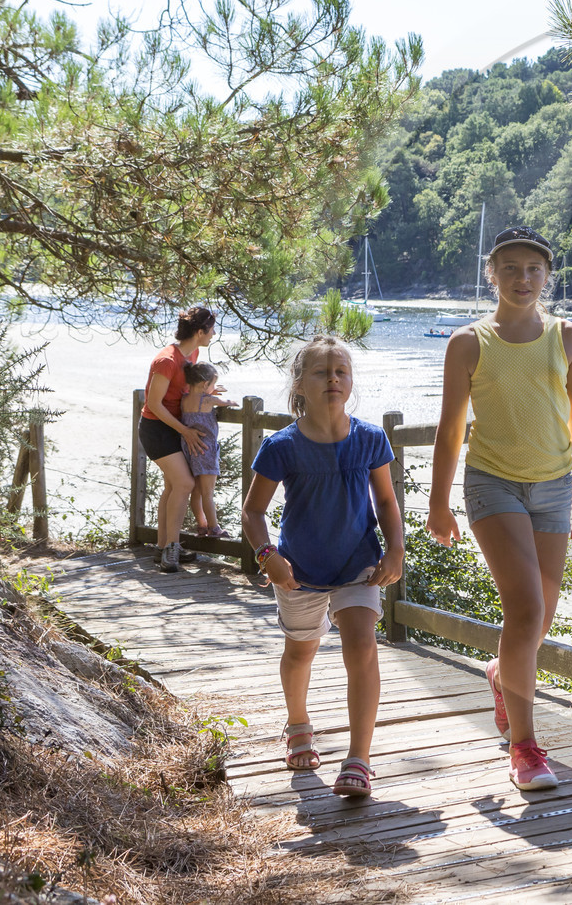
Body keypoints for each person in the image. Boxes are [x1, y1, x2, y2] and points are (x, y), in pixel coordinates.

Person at [428, 225, 572, 791]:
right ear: (492, 275)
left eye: (533, 269)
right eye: (510, 269)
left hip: (554, 487)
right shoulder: (469, 342)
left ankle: (502, 675)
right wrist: (438, 502)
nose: (522, 279)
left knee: (540, 615)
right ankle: (524, 748)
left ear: (547, 276)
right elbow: (451, 428)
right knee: (525, 610)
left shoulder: (566, 336)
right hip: (493, 484)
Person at [241, 337, 405, 799]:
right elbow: (252, 512)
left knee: (363, 646)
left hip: (358, 564)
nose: (333, 379)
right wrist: (268, 556)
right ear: (299, 384)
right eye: (321, 372)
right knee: (300, 651)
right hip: (299, 570)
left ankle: (359, 759)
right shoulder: (282, 446)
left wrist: (395, 549)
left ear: (350, 382)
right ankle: (298, 724)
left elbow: (386, 501)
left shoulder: (370, 438)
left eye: (341, 372)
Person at [137, 305, 216, 573]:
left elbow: (185, 389)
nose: (213, 335)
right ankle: (172, 547)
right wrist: (184, 431)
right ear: (199, 332)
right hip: (156, 429)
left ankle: (163, 547)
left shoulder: (192, 354)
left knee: (173, 487)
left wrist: (206, 393)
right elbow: (154, 404)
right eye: (211, 330)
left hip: (174, 427)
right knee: (184, 483)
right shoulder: (167, 361)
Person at [180, 361, 237, 538]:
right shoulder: (208, 400)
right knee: (208, 493)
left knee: (197, 492)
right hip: (206, 449)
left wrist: (211, 390)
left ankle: (202, 525)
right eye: (213, 384)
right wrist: (230, 401)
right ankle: (214, 527)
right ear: (205, 384)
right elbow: (228, 402)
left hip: (190, 449)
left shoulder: (184, 399)